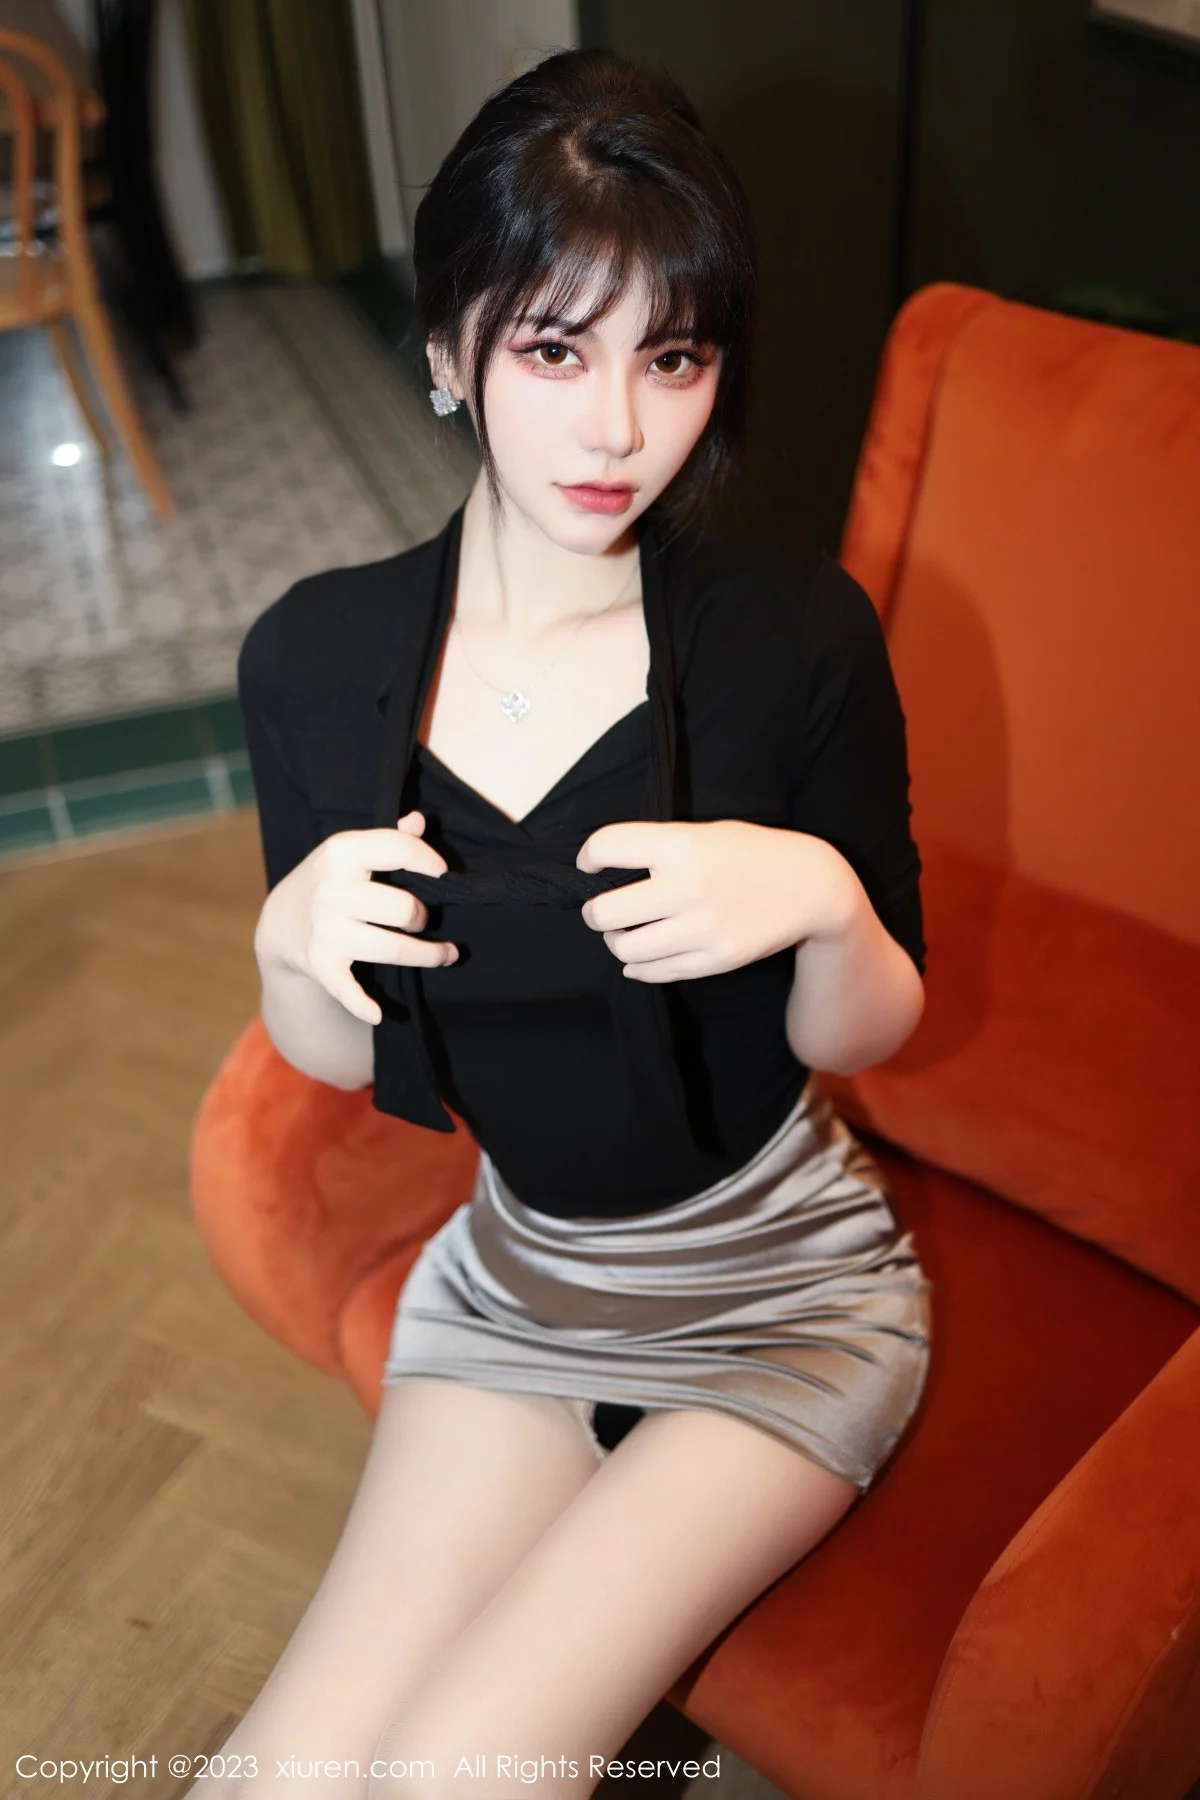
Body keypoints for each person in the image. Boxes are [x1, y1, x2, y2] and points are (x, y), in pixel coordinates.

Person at [210, 46, 934, 1800]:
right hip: (519, 1280)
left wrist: (823, 901)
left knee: (457, 1773)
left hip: (780, 1295)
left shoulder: (795, 640)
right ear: (448, 349)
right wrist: (287, 943)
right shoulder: (317, 656)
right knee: (277, 1782)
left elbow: (875, 1024)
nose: (619, 429)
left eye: (671, 358)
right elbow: (336, 1053)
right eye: (554, 349)